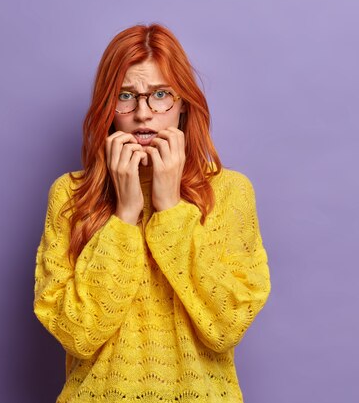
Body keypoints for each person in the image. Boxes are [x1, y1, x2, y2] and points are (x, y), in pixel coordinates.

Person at [33, 23, 271, 403]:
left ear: (183, 105)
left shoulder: (229, 192)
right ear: (108, 108)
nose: (143, 113)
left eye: (160, 95)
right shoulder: (70, 195)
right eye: (125, 96)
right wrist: (125, 215)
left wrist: (170, 208)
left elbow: (226, 326)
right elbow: (79, 334)